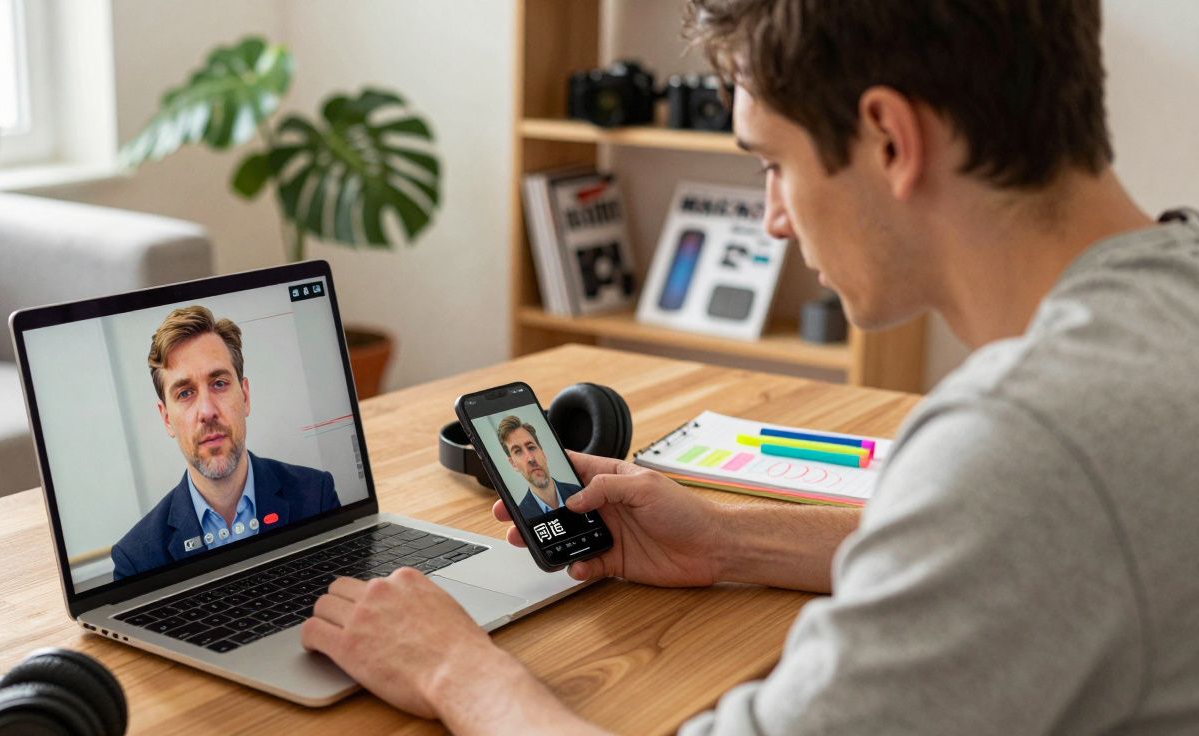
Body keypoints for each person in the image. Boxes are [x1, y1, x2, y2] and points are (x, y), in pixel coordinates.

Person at [299, 0, 1199, 733]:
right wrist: (732, 540)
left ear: (890, 138)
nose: (771, 219)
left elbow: (1018, 510)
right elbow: (1022, 557)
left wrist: (457, 668)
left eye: (773, 163)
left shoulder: (1025, 443)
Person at [111, 306, 339, 579]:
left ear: (245, 396)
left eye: (219, 383)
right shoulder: (137, 559)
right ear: (167, 419)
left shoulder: (317, 496)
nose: (207, 411)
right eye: (185, 393)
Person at [496, 415, 582, 521]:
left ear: (543, 453)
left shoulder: (579, 492)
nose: (531, 459)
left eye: (531, 447)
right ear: (513, 464)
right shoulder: (522, 515)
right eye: (518, 451)